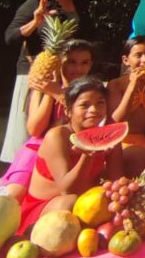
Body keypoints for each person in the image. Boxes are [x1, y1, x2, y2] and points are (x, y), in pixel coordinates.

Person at [1, 0, 93, 163]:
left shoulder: (79, 4)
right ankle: (20, 169)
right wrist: (35, 22)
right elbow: (10, 37)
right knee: (28, 127)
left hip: (69, 73)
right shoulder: (36, 2)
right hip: (37, 72)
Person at [17, 76, 123, 234]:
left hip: (85, 202)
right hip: (45, 209)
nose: (94, 110)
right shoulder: (57, 136)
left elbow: (116, 180)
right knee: (71, 203)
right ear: (68, 110)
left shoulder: (108, 135)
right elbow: (68, 190)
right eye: (84, 105)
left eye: (100, 103)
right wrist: (88, 155)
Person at [1, 40, 95, 202]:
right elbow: (35, 130)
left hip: (73, 151)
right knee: (13, 195)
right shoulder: (42, 88)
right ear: (59, 63)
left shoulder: (92, 92)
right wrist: (51, 94)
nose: (78, 69)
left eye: (84, 63)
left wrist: (60, 94)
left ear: (91, 64)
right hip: (37, 150)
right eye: (71, 62)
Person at [107, 36, 145, 176]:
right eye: (138, 55)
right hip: (120, 141)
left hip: (143, 141)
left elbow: (143, 122)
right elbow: (116, 121)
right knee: (140, 155)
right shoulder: (116, 84)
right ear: (126, 60)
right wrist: (132, 86)